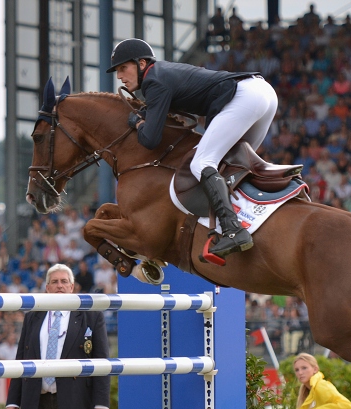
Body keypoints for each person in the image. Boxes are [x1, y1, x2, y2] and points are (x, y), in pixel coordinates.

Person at [108, 38, 278, 259]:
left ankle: (233, 230)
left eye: (123, 68)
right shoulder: (160, 74)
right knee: (230, 163)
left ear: (141, 64)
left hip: (245, 96)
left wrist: (138, 123)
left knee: (201, 162)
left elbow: (150, 139)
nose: (120, 76)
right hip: (262, 93)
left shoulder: (153, 81)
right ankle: (255, 216)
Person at [5, 264, 110, 409]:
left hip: (75, 399)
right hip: (38, 400)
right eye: (54, 282)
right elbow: (22, 359)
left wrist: (101, 402)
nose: (59, 286)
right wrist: (13, 400)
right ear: (46, 288)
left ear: (72, 287)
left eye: (64, 282)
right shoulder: (33, 316)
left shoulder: (90, 316)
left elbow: (102, 361)